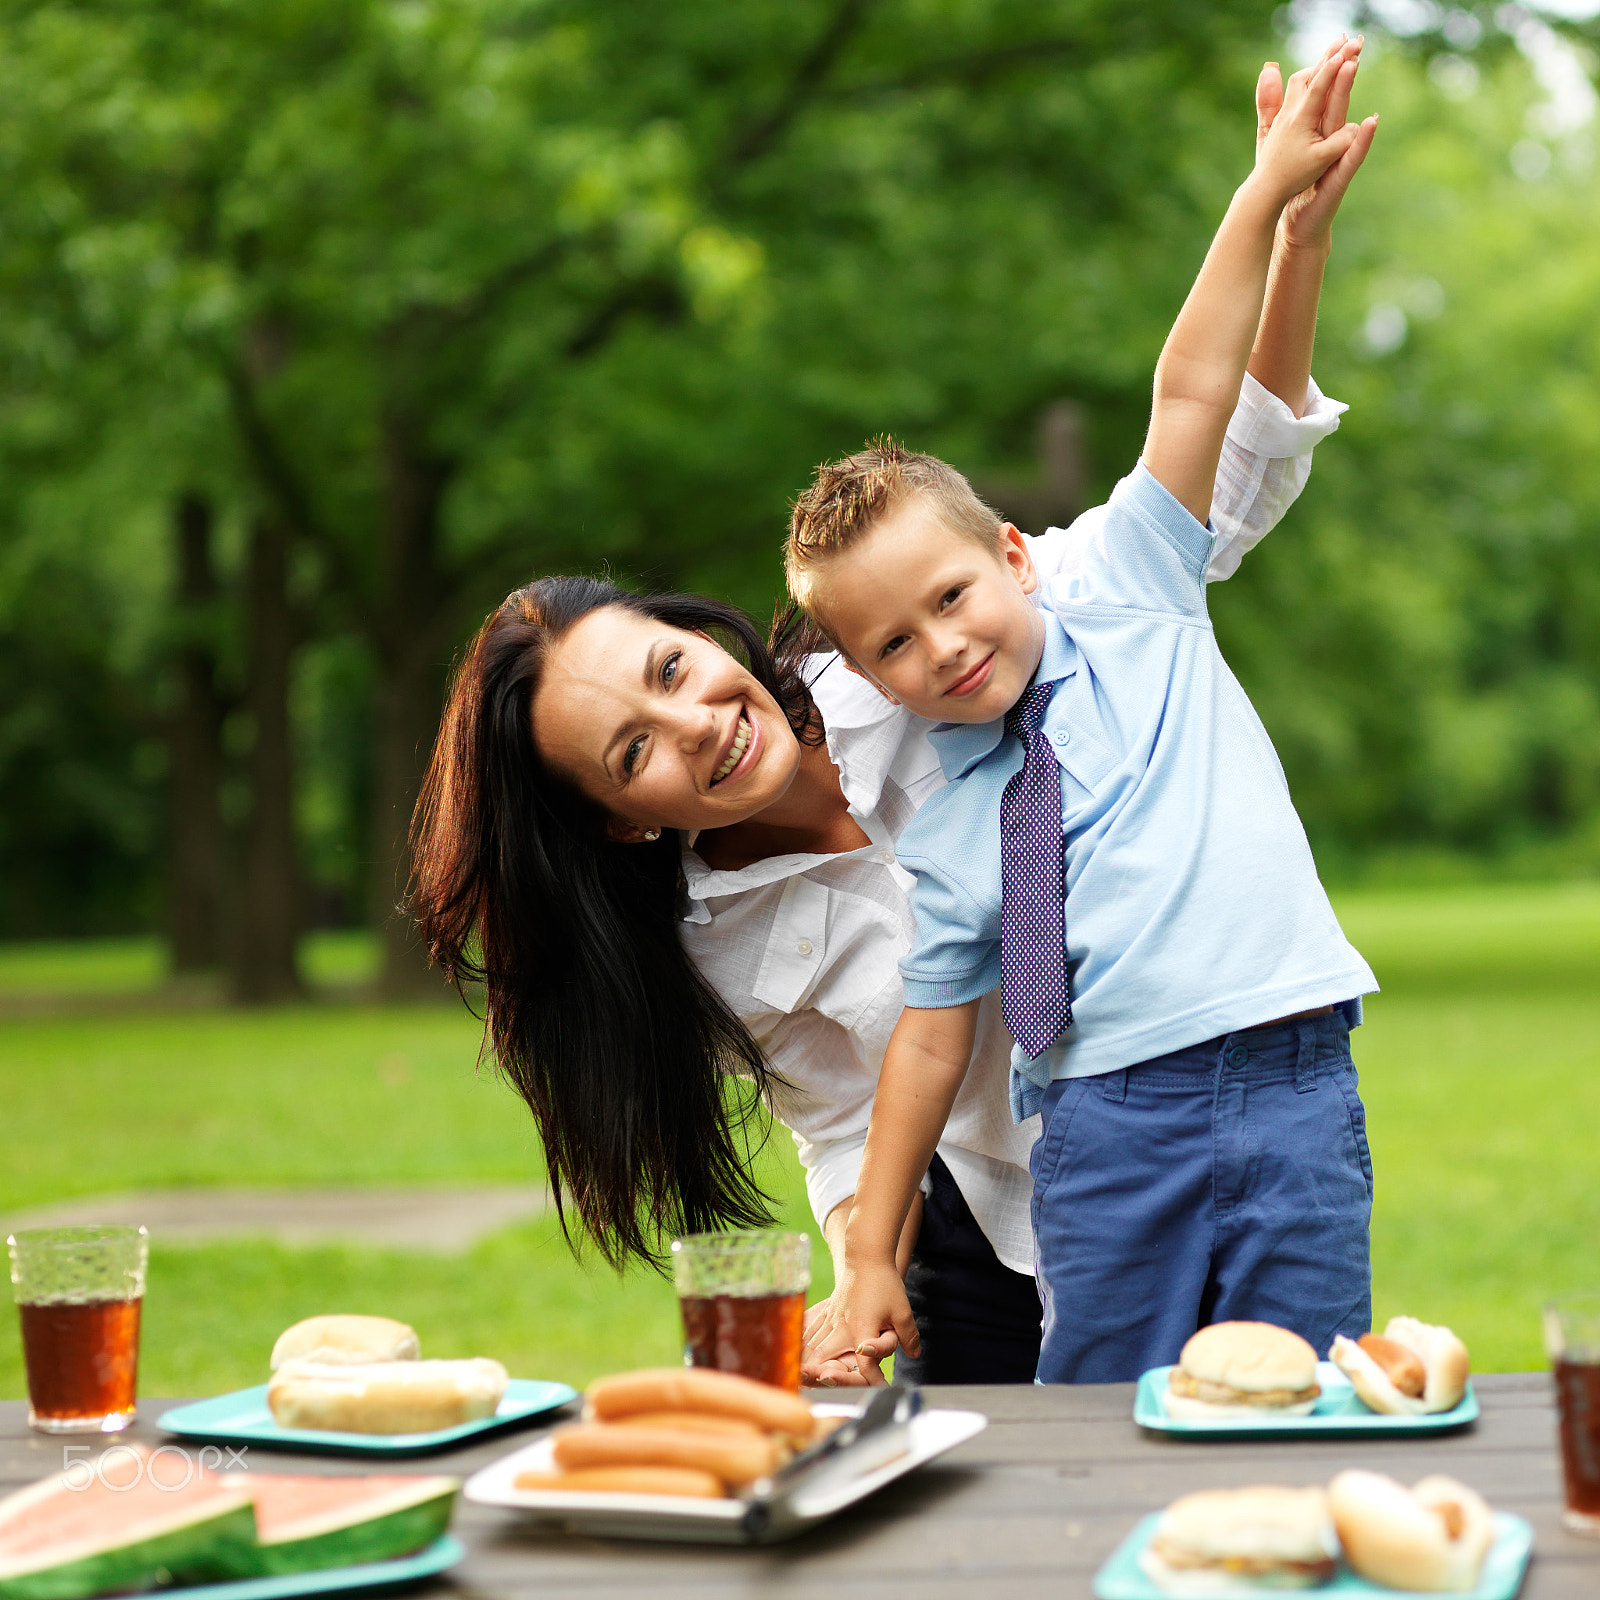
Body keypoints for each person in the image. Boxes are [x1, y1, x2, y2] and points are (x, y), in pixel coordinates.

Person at [407, 56, 1355, 1386]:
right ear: (620, 822)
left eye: (673, 669)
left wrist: (1289, 238)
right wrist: (865, 1268)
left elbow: (1217, 462)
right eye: (635, 750)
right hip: (984, 1225)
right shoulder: (719, 936)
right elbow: (852, 1113)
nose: (699, 724)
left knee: (1285, 1407)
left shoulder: (943, 649)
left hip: (1234, 1093)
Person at [788, 42, 1381, 1384]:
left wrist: (1270, 209)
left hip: (1297, 1085)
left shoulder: (1134, 585)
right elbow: (931, 1043)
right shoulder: (946, 824)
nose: (939, 648)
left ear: (1012, 554)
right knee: (1102, 1421)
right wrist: (873, 1251)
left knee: (1301, 1397)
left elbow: (1192, 390)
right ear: (867, 680)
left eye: (948, 596)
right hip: (1110, 1127)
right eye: (892, 643)